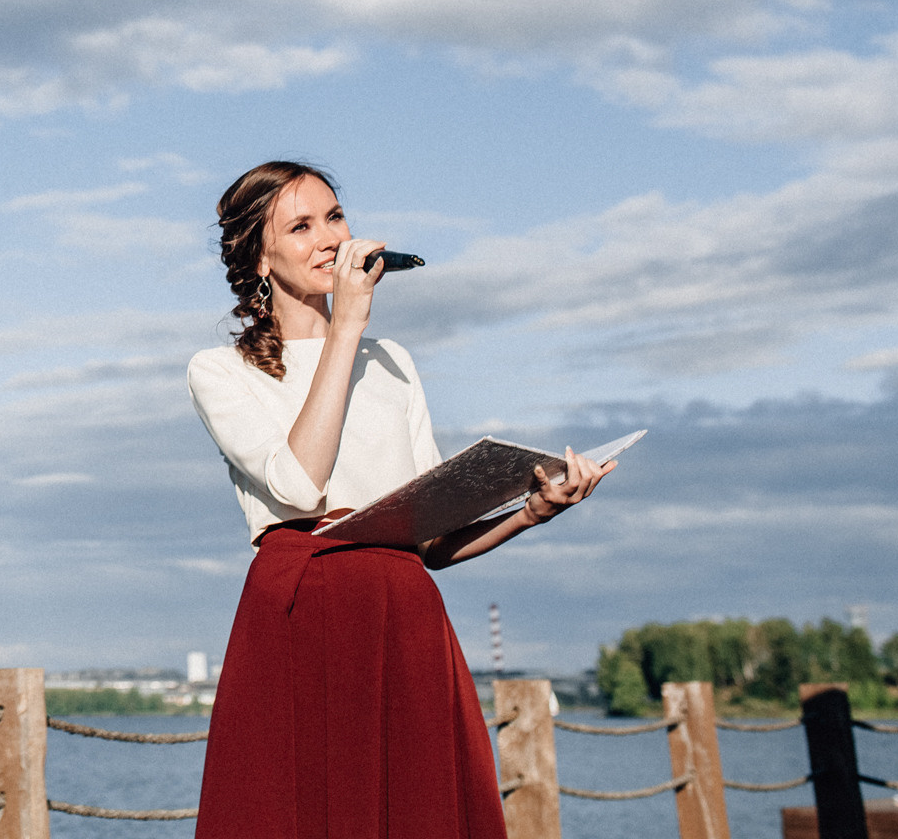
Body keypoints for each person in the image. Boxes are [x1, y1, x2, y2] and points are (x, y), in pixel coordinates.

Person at [185, 161, 615, 838]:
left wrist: (533, 511)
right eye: (301, 226)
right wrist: (345, 330)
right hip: (302, 605)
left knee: (420, 811)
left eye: (335, 217)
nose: (329, 238)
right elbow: (299, 487)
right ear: (257, 257)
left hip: (403, 606)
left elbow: (431, 541)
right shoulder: (220, 370)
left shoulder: (394, 361)